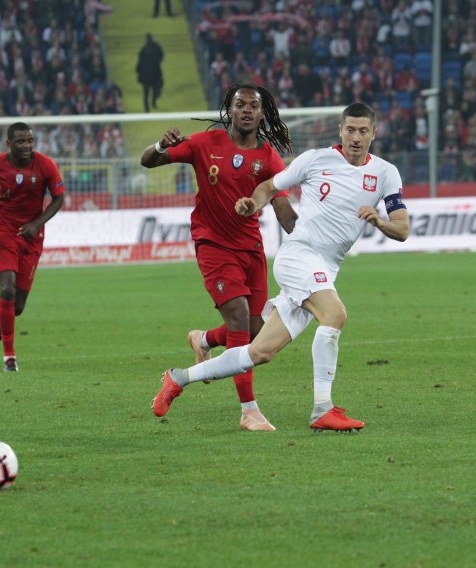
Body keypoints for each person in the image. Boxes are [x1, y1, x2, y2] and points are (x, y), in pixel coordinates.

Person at [152, 103, 410, 431]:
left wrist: (379, 220)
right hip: (298, 256)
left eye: (363, 131)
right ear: (340, 130)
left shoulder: (386, 173)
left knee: (259, 351)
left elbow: (402, 229)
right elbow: (268, 187)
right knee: (335, 315)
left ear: (374, 133)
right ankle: (322, 409)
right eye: (350, 130)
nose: (356, 137)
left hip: (327, 267)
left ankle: (177, 378)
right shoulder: (316, 159)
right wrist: (253, 203)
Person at [140, 83, 298, 431]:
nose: (246, 110)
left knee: (257, 333)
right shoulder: (203, 143)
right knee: (241, 321)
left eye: (252, 106)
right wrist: (160, 146)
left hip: (251, 250)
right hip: (213, 244)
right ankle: (249, 412)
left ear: (261, 113)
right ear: (229, 110)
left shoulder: (269, 157)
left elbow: (284, 210)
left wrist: (307, 239)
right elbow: (148, 161)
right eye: (239, 104)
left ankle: (205, 339)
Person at [0, 122, 65, 372]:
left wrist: (37, 223)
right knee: (8, 289)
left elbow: (59, 198)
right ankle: (9, 358)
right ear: (9, 144)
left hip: (32, 236)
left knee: (18, 306)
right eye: (21, 141)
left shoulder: (46, 165)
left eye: (30, 141)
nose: (27, 146)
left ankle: (2, 321)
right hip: (3, 231)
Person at [136, 34, 164, 113]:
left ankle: (150, 106)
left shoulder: (152, 49)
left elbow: (161, 56)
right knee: (148, 92)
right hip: (149, 75)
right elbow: (140, 62)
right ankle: (148, 107)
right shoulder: (144, 50)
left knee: (150, 92)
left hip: (152, 75)